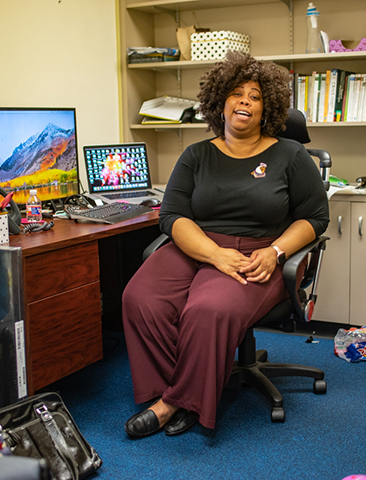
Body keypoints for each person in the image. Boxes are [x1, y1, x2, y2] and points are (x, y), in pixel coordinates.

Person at [122, 51, 330, 438]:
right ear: (220, 103)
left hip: (258, 253)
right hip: (198, 247)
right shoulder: (196, 155)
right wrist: (213, 254)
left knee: (210, 309)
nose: (245, 101)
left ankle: (170, 404)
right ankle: (185, 392)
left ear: (266, 107)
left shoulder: (290, 154)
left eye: (255, 95)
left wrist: (276, 252)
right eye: (237, 93)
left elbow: (315, 218)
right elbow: (173, 216)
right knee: (140, 297)